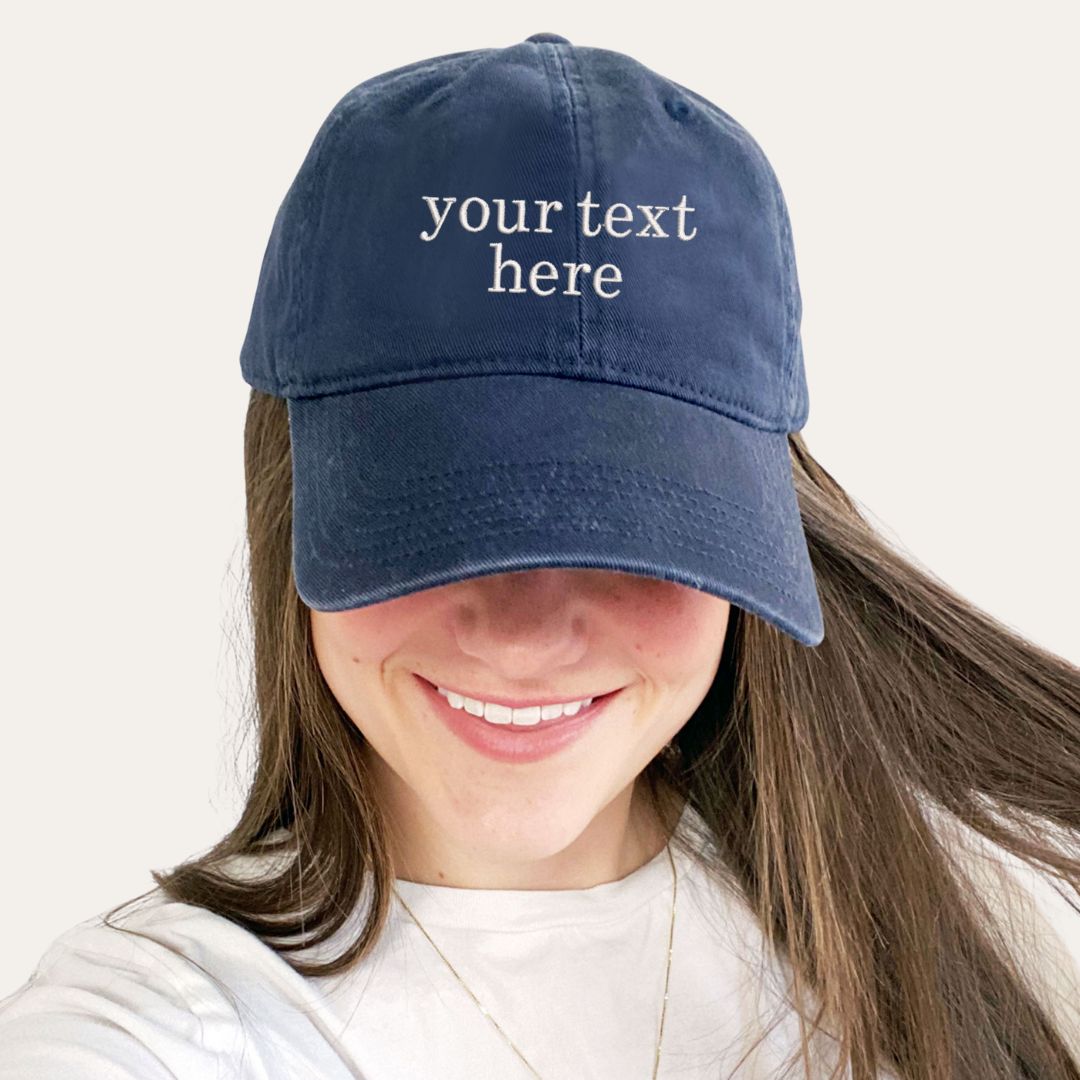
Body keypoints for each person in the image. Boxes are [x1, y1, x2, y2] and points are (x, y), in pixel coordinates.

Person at [2, 30, 1079, 1080]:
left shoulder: (987, 937)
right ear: (295, 492)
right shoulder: (162, 1022)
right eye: (442, 516)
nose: (523, 635)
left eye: (632, 527)